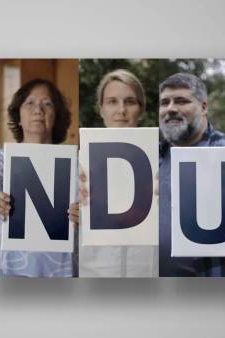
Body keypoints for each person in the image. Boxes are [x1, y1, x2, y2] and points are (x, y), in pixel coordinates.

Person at [158, 73, 225, 277]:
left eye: (181, 101)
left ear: (204, 107)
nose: (170, 108)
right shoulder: (152, 157)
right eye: (164, 102)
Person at [78, 69, 159, 277]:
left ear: (141, 109)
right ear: (101, 108)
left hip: (147, 275)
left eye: (130, 101)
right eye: (112, 101)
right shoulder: (78, 163)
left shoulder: (163, 161)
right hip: (94, 274)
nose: (121, 110)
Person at [0, 78, 78, 277]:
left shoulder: (78, 164)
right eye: (29, 103)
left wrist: (87, 215)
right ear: (18, 116)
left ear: (56, 115)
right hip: (12, 272)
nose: (38, 110)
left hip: (61, 271)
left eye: (47, 104)